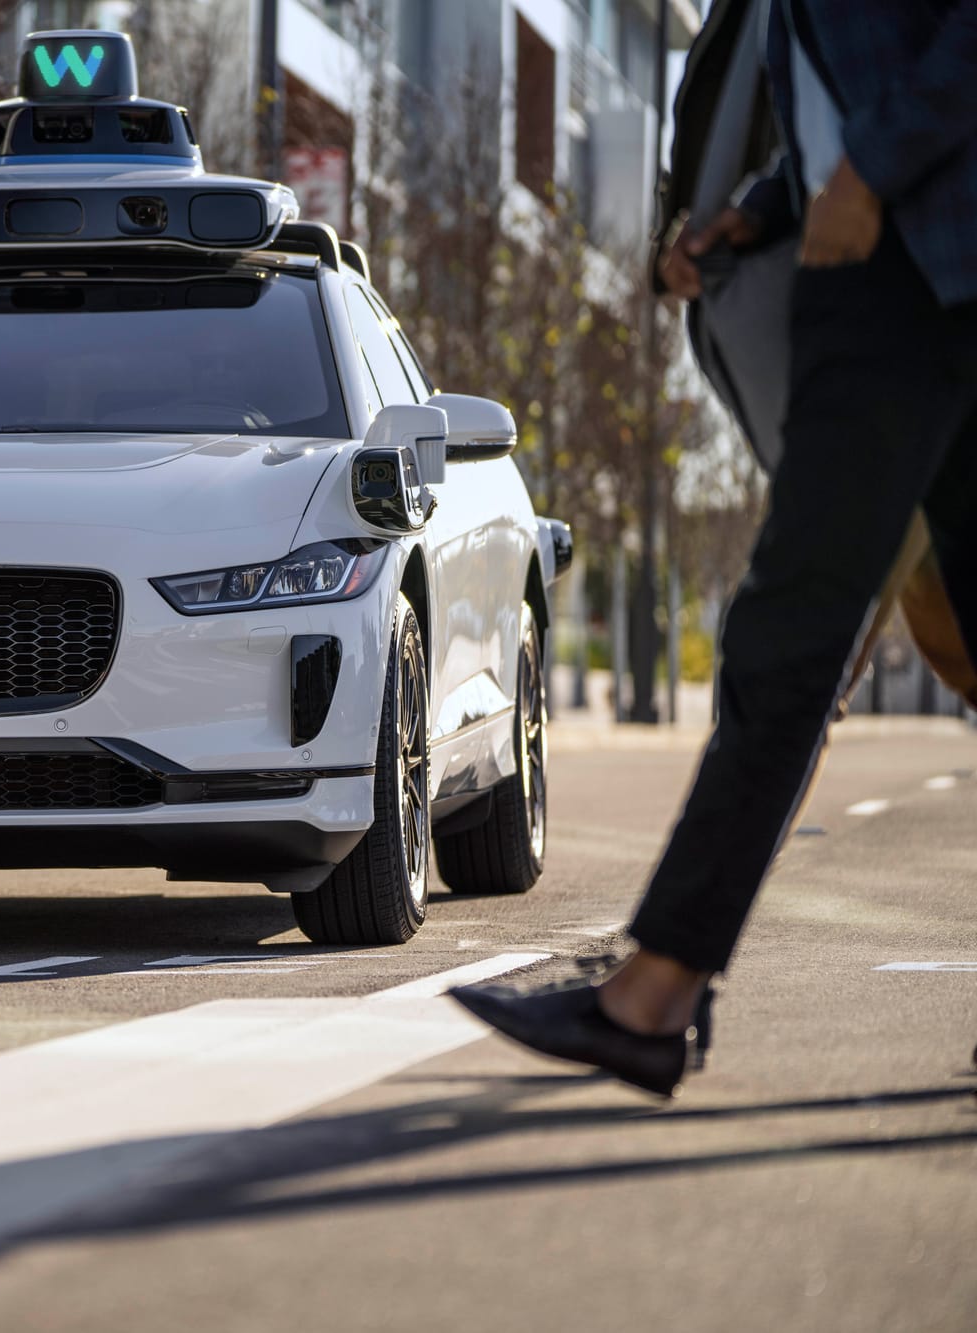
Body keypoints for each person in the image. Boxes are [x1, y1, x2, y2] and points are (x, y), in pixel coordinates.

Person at [451, 0, 977, 1096]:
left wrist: (864, 178)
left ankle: (653, 992)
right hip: (903, 257)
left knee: (790, 633)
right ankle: (656, 988)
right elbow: (857, 94)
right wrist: (754, 212)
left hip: (902, 278)